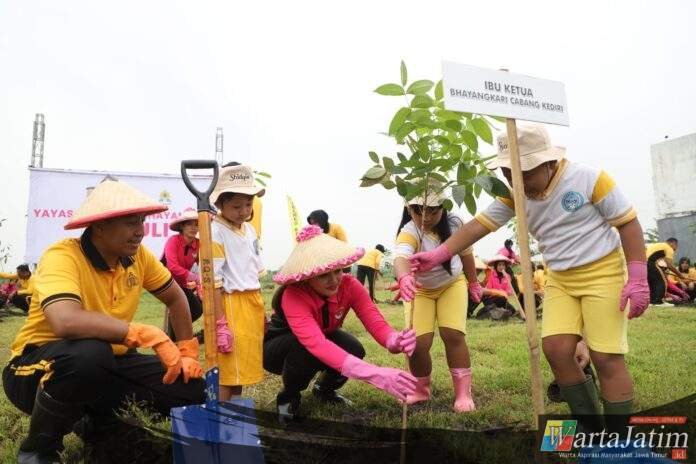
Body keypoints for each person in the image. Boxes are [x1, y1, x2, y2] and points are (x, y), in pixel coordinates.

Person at [406, 124, 649, 428]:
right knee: (557, 350)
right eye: (508, 175)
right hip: (560, 279)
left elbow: (628, 223)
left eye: (524, 174)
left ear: (549, 162)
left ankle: (617, 439)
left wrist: (638, 277)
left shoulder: (589, 179)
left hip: (603, 273)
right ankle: (592, 430)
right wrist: (439, 254)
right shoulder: (514, 194)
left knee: (605, 357)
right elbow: (477, 226)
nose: (515, 182)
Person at [3, 179, 204, 463]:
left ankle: (97, 424)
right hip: (38, 367)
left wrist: (186, 351)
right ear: (99, 225)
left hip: (107, 364)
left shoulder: (138, 257)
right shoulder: (63, 256)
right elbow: (65, 321)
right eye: (131, 222)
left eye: (142, 221)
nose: (140, 231)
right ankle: (38, 450)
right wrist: (146, 334)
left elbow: (176, 297)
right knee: (89, 356)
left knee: (191, 387)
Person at [264, 225, 416, 420]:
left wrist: (394, 340)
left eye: (337, 271)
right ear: (308, 276)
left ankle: (324, 389)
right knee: (303, 349)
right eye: (324, 274)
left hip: (320, 338)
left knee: (353, 348)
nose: (334, 280)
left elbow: (375, 322)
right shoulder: (293, 295)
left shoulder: (350, 285)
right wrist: (376, 374)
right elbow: (316, 344)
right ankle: (288, 397)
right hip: (279, 349)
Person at [393, 188, 481, 412]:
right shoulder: (408, 231)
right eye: (419, 210)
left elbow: (466, 255)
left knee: (453, 334)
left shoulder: (455, 224)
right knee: (418, 344)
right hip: (420, 290)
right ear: (409, 209)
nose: (426, 217)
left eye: (433, 210)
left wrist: (473, 282)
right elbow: (401, 257)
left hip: (452, 284)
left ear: (444, 207)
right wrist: (404, 277)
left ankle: (463, 393)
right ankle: (420, 390)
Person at [210, 164, 267, 401]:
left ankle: (234, 415)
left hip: (251, 303)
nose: (244, 211)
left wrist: (261, 310)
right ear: (220, 204)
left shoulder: (249, 230)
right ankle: (220, 416)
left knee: (241, 370)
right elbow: (213, 282)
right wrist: (220, 323)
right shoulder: (215, 232)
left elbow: (254, 271)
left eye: (248, 204)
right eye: (236, 206)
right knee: (227, 371)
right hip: (231, 305)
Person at [161, 209, 203, 340]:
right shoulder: (173, 241)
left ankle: (175, 336)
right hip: (167, 281)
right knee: (190, 309)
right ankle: (175, 338)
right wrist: (194, 277)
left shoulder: (198, 244)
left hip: (183, 284)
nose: (193, 228)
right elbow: (172, 267)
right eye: (189, 224)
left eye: (196, 224)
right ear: (181, 226)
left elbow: (204, 264)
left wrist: (201, 281)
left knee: (197, 309)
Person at [479, 255, 516, 320]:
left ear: (505, 266)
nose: (501, 267)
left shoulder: (508, 276)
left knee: (513, 311)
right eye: (499, 265)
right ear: (496, 266)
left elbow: (509, 291)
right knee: (498, 300)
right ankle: (492, 311)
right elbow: (489, 290)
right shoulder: (491, 275)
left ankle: (497, 310)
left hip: (503, 299)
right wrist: (499, 292)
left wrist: (504, 292)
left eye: (503, 265)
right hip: (491, 299)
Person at [646, 238, 681, 305]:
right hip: (651, 263)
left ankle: (652, 301)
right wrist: (680, 275)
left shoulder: (657, 245)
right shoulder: (669, 248)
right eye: (676, 246)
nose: (676, 249)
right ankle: (659, 301)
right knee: (662, 281)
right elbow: (669, 265)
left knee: (652, 283)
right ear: (673, 243)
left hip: (643, 264)